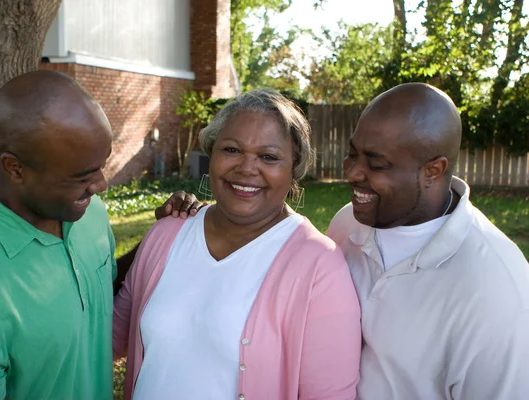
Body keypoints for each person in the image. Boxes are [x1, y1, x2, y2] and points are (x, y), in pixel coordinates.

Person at [0, 70, 199, 399]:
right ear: (15, 168)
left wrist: (159, 239)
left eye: (102, 165)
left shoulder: (88, 212)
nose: (101, 184)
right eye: (82, 175)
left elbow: (93, 296)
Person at [112, 88, 362, 400]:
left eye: (268, 157)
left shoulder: (318, 265)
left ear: (293, 169)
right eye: (232, 150)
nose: (246, 168)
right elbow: (108, 337)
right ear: (211, 154)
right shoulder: (167, 234)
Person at [327, 83, 529, 399]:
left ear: (432, 170)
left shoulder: (497, 291)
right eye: (352, 153)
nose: (352, 172)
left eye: (375, 162)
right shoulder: (346, 224)